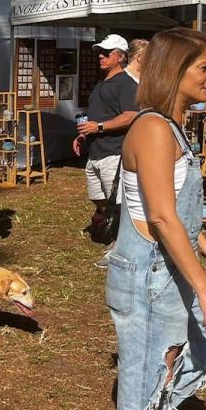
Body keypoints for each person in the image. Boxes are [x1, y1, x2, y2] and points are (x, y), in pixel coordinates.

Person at [110, 28, 206, 410]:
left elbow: (161, 204)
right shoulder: (154, 128)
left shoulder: (172, 126)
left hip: (166, 269)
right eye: (203, 68)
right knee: (142, 378)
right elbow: (158, 216)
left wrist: (201, 240)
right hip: (147, 277)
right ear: (174, 71)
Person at [73, 34, 140, 268]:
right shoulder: (103, 83)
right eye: (99, 52)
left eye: (106, 52)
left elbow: (131, 116)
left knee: (119, 202)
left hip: (115, 151)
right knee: (98, 197)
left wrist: (99, 126)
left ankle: (119, 247)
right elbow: (97, 116)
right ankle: (110, 226)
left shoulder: (126, 83)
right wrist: (83, 135)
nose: (100, 56)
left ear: (120, 57)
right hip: (96, 150)